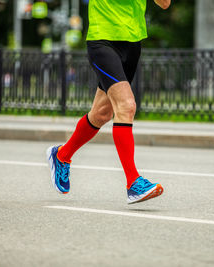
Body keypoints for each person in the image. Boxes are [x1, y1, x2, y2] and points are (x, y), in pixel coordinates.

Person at [47, 0, 171, 204]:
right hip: (103, 40)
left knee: (101, 114)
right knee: (126, 105)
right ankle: (133, 182)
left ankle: (62, 155)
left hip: (132, 41)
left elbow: (165, 3)